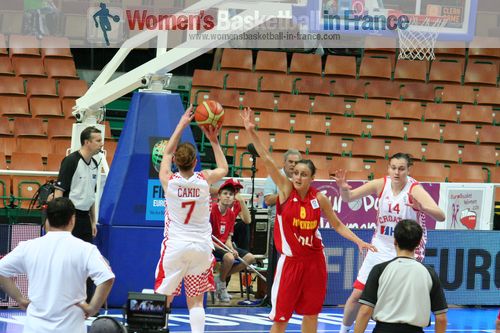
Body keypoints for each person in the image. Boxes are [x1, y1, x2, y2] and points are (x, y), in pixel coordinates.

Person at [240, 107, 376, 333]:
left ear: (312, 178)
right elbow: (266, 158)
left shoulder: (319, 198)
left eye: (304, 174)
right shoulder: (285, 190)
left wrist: (358, 241)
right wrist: (251, 132)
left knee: (311, 316)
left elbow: (338, 224)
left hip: (314, 261)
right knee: (281, 319)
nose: (299, 177)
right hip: (291, 262)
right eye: (296, 173)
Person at [334, 153, 446, 333]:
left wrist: (423, 207)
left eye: (401, 169)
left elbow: (441, 215)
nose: (397, 172)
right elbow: (349, 198)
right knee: (356, 295)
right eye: (393, 167)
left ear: (409, 170)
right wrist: (344, 189)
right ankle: (344, 330)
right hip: (380, 246)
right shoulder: (381, 184)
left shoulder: (414, 189)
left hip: (407, 249)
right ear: (388, 168)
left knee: (401, 298)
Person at [154, 106, 228, 333]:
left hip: (176, 246)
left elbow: (166, 154)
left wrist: (181, 124)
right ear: (196, 162)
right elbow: (224, 168)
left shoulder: (169, 180)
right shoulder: (204, 179)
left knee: (163, 298)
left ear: (177, 161)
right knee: (195, 302)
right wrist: (214, 140)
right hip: (201, 247)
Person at [0, 197, 115, 333]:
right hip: (71, 328)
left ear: (47, 220)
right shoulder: (85, 249)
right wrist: (93, 308)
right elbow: (107, 278)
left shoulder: (28, 247)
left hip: (35, 328)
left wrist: (20, 299)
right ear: (73, 219)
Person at [354, 219, 448, 333]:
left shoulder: (379, 270)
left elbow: (365, 311)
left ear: (394, 241)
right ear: (419, 243)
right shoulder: (429, 273)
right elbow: (441, 318)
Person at [263, 149, 302, 304]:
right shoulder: (274, 177)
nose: (293, 165)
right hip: (277, 223)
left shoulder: (301, 178)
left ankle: (293, 294)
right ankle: (273, 297)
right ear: (284, 162)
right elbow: (267, 200)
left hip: (297, 224)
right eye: (290, 162)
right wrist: (286, 193)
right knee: (277, 262)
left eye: (296, 162)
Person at [210, 178, 254, 302]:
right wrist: (227, 250)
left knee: (250, 258)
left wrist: (231, 248)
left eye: (232, 193)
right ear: (219, 195)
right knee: (229, 257)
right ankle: (222, 286)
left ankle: (220, 278)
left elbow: (228, 237)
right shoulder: (211, 210)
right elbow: (207, 237)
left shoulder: (231, 214)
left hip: (224, 244)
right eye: (225, 193)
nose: (228, 196)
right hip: (211, 244)